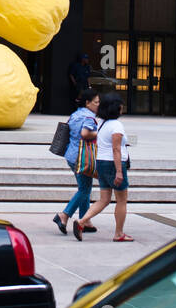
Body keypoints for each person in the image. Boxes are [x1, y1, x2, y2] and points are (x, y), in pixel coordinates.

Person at [74, 92, 132, 242]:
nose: (122, 107)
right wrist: (119, 171)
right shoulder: (117, 125)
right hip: (114, 164)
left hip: (101, 163)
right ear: (116, 107)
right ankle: (119, 233)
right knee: (121, 200)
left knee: (104, 199)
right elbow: (116, 149)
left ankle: (81, 221)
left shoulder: (101, 123)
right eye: (120, 104)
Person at [53, 89, 99, 236]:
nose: (98, 105)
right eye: (96, 102)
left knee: (85, 187)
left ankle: (85, 220)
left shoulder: (76, 114)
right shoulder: (89, 117)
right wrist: (101, 133)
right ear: (87, 103)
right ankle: (64, 215)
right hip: (82, 157)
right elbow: (85, 134)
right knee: (85, 189)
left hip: (71, 156)